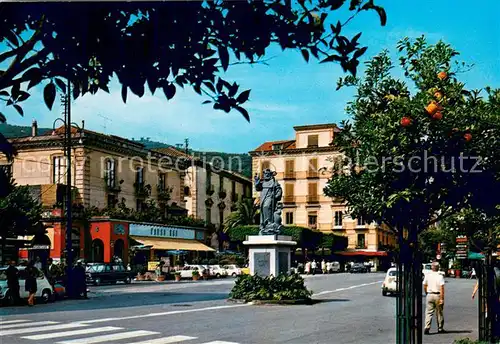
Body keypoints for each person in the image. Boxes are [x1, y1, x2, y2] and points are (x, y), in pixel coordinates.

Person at [423, 261, 445, 334]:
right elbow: (442, 288)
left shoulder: (427, 275)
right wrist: (442, 298)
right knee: (439, 312)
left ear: (432, 267)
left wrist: (427, 293)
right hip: (437, 295)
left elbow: (425, 285)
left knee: (428, 312)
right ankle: (440, 328)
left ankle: (427, 327)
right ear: (438, 268)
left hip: (429, 294)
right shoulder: (440, 276)